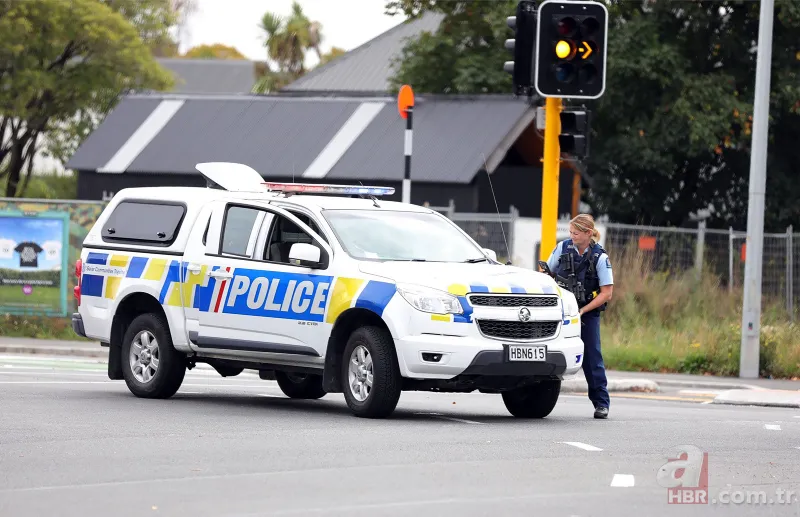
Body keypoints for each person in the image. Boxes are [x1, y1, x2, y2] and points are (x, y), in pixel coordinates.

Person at [545, 214, 613, 419]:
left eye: (575, 232)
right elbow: (547, 274)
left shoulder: (600, 257)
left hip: (587, 312)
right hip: (561, 311)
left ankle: (601, 403)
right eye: (570, 232)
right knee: (547, 351)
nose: (571, 235)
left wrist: (583, 310)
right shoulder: (562, 248)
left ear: (588, 233)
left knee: (592, 358)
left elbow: (606, 293)